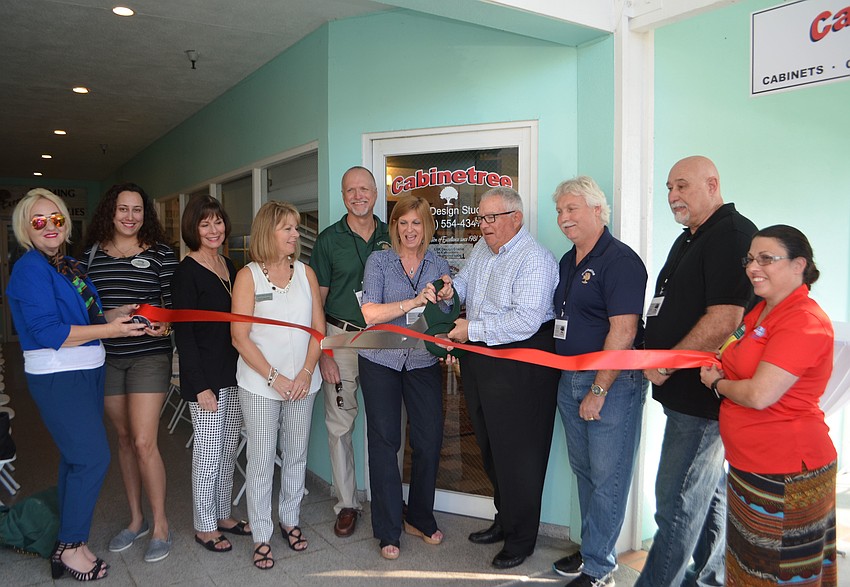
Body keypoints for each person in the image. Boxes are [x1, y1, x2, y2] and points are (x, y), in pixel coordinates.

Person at [6, 188, 147, 581]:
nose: (49, 227)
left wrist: (119, 314)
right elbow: (49, 330)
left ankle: (71, 541)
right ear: (26, 228)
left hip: (86, 369)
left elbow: (88, 314)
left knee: (75, 459)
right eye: (39, 221)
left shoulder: (66, 264)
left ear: (65, 222)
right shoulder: (30, 269)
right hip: (59, 374)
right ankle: (70, 547)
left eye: (56, 219)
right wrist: (112, 331)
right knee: (92, 458)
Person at [637, 156, 757, 587]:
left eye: (682, 186)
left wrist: (665, 362)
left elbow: (725, 318)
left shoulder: (732, 235)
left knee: (676, 502)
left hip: (701, 398)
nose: (672, 196)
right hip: (683, 393)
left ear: (712, 184)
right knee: (707, 495)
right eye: (669, 187)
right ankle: (710, 578)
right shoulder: (692, 236)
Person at [699, 225, 836, 586]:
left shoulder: (803, 321)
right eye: (750, 259)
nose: (753, 267)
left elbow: (761, 394)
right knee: (750, 568)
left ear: (798, 265)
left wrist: (717, 383)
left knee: (780, 572)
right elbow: (737, 354)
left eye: (766, 259)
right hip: (752, 464)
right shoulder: (761, 310)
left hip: (787, 471)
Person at [447, 186, 561, 569]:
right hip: (482, 359)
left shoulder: (536, 259)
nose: (483, 225)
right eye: (480, 218)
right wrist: (450, 289)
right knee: (493, 448)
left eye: (491, 218)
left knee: (520, 456)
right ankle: (505, 520)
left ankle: (522, 539)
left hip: (521, 364)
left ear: (517, 218)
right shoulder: (483, 249)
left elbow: (525, 320)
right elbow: (464, 282)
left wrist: (471, 330)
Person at [549, 177, 648, 587]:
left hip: (610, 385)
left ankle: (599, 569)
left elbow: (623, 332)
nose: (563, 218)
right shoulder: (568, 261)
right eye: (559, 211)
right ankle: (593, 549)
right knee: (585, 471)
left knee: (608, 476)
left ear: (597, 211)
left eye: (572, 209)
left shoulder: (620, 260)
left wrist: (599, 389)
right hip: (570, 380)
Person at [82, 182, 178, 563]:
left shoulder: (160, 255)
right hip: (106, 358)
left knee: (143, 441)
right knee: (123, 439)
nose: (130, 216)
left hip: (148, 357)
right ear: (111, 211)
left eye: (137, 210)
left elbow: (172, 309)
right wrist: (106, 317)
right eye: (123, 209)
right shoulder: (90, 257)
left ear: (145, 214)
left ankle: (161, 525)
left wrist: (163, 326)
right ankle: (136, 519)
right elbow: (85, 310)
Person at [358, 195, 453, 560]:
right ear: (394, 226)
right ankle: (387, 529)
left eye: (416, 223)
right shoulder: (379, 261)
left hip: (421, 362)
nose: (409, 230)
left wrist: (445, 295)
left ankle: (419, 516)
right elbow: (369, 312)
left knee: (428, 440)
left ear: (426, 226)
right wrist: (412, 303)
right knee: (385, 443)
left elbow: (445, 312)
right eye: (403, 222)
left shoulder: (437, 261)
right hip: (380, 360)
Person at [231, 201, 324, 570]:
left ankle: (290, 520)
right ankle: (260, 534)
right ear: (268, 232)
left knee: (297, 453)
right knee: (260, 459)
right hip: (260, 384)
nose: (295, 234)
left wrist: (304, 373)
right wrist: (275, 378)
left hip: (303, 383)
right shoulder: (248, 276)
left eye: (296, 228)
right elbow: (239, 337)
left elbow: (318, 330)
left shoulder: (305, 273)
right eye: (287, 228)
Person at [310, 166, 391, 538]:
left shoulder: (395, 234)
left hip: (386, 342)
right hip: (340, 340)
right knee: (340, 424)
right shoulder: (328, 240)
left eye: (364, 189)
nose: (358, 195)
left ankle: (389, 499)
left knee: (389, 421)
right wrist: (322, 350)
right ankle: (346, 503)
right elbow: (317, 302)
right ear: (343, 195)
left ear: (376, 192)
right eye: (350, 190)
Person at [172, 195, 250, 554]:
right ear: (193, 229)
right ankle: (204, 526)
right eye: (205, 224)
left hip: (233, 373)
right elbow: (184, 335)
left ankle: (221, 514)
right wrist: (200, 386)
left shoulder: (229, 266)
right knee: (207, 454)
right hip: (205, 380)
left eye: (217, 222)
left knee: (226, 451)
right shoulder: (185, 273)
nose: (213, 229)